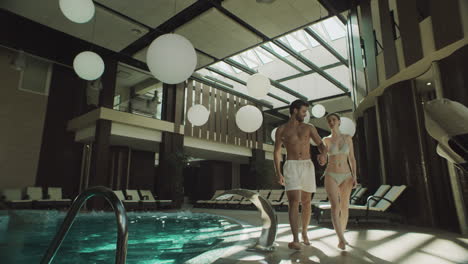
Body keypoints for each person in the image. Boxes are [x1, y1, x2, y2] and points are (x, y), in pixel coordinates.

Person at [273, 99, 327, 250]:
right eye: (303, 111)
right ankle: (295, 238)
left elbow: (321, 144)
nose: (305, 114)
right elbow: (277, 153)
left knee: (306, 202)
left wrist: (324, 155)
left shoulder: (309, 127)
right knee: (293, 202)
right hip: (291, 166)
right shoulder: (281, 130)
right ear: (295, 110)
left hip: (307, 166)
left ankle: (304, 232)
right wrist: (278, 172)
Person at [318, 113, 357, 250]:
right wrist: (321, 159)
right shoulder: (326, 140)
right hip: (331, 175)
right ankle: (341, 239)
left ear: (339, 122)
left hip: (347, 176)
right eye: (329, 121)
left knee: (345, 206)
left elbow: (352, 158)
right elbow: (323, 159)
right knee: (335, 206)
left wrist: (355, 176)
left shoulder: (347, 138)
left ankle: (342, 235)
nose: (331, 122)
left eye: (334, 119)